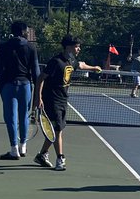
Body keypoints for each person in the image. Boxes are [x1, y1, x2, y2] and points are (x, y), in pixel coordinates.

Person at [34, 35, 103, 171]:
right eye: (76, 46)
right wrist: (38, 98)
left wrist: (93, 67)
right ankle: (60, 158)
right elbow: (41, 78)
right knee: (57, 129)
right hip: (52, 100)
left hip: (63, 99)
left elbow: (80, 65)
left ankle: (42, 155)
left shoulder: (71, 60)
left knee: (56, 129)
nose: (79, 49)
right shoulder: (56, 62)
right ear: (68, 47)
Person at [0, 21, 40, 160]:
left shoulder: (4, 47)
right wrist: (38, 91)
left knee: (11, 118)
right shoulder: (31, 47)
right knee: (24, 116)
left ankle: (14, 149)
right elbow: (36, 71)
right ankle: (23, 146)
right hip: (25, 86)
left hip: (8, 85)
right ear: (24, 31)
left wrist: (1, 85)